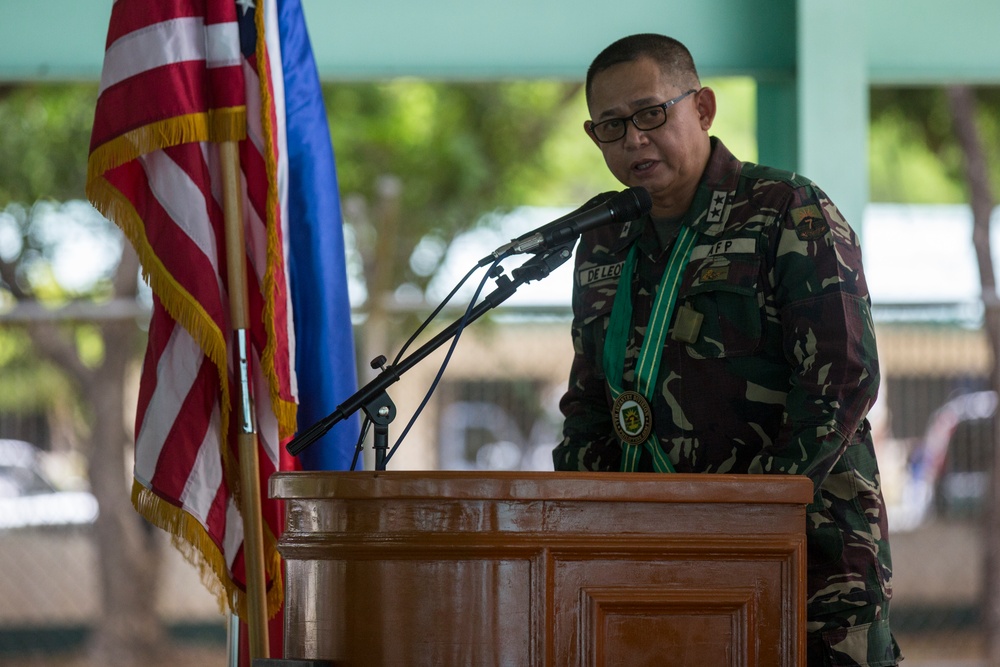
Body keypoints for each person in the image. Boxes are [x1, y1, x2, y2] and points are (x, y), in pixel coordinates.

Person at [553, 33, 901, 667]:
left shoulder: (788, 212)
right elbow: (589, 401)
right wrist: (580, 524)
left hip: (805, 561)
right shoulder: (602, 241)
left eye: (650, 113)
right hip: (649, 569)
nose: (633, 138)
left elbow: (842, 381)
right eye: (609, 126)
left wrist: (745, 520)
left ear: (704, 108)